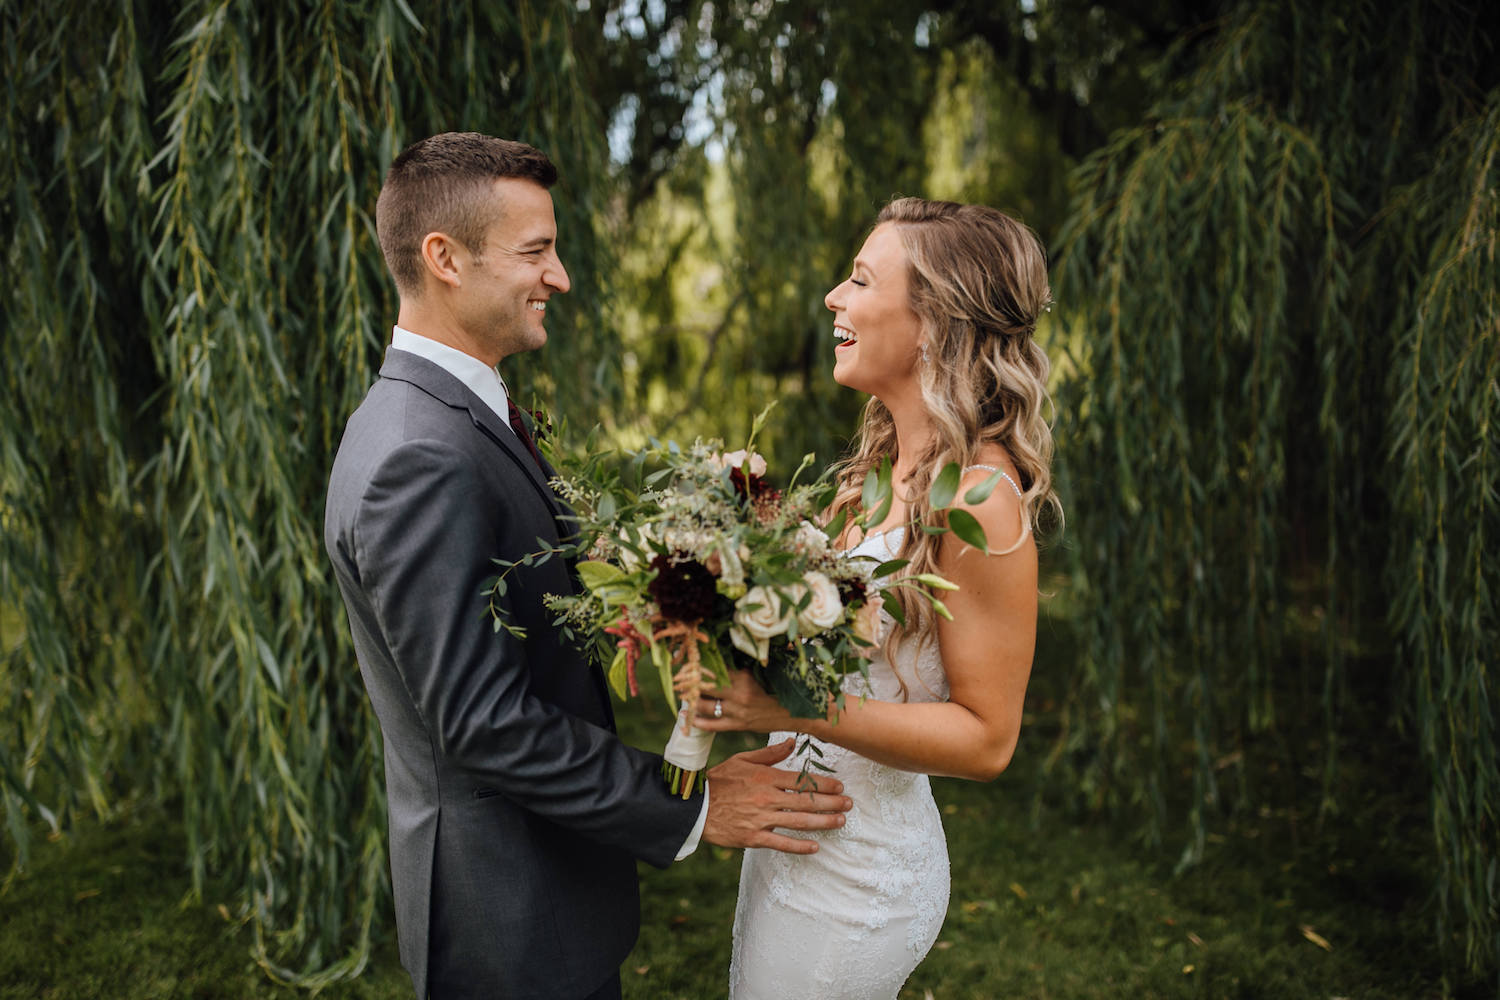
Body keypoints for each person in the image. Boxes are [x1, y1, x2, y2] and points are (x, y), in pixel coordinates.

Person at [323, 132, 852, 1000]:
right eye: (536, 252)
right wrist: (694, 805)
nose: (560, 277)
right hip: (507, 920)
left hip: (534, 893)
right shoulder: (419, 456)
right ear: (444, 258)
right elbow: (483, 721)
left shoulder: (439, 416)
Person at [691, 197, 1059, 999]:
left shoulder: (980, 499)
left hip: (859, 881)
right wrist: (740, 544)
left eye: (860, 279)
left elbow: (988, 740)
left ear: (934, 323)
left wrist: (788, 707)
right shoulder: (876, 469)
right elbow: (829, 630)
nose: (833, 297)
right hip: (799, 837)